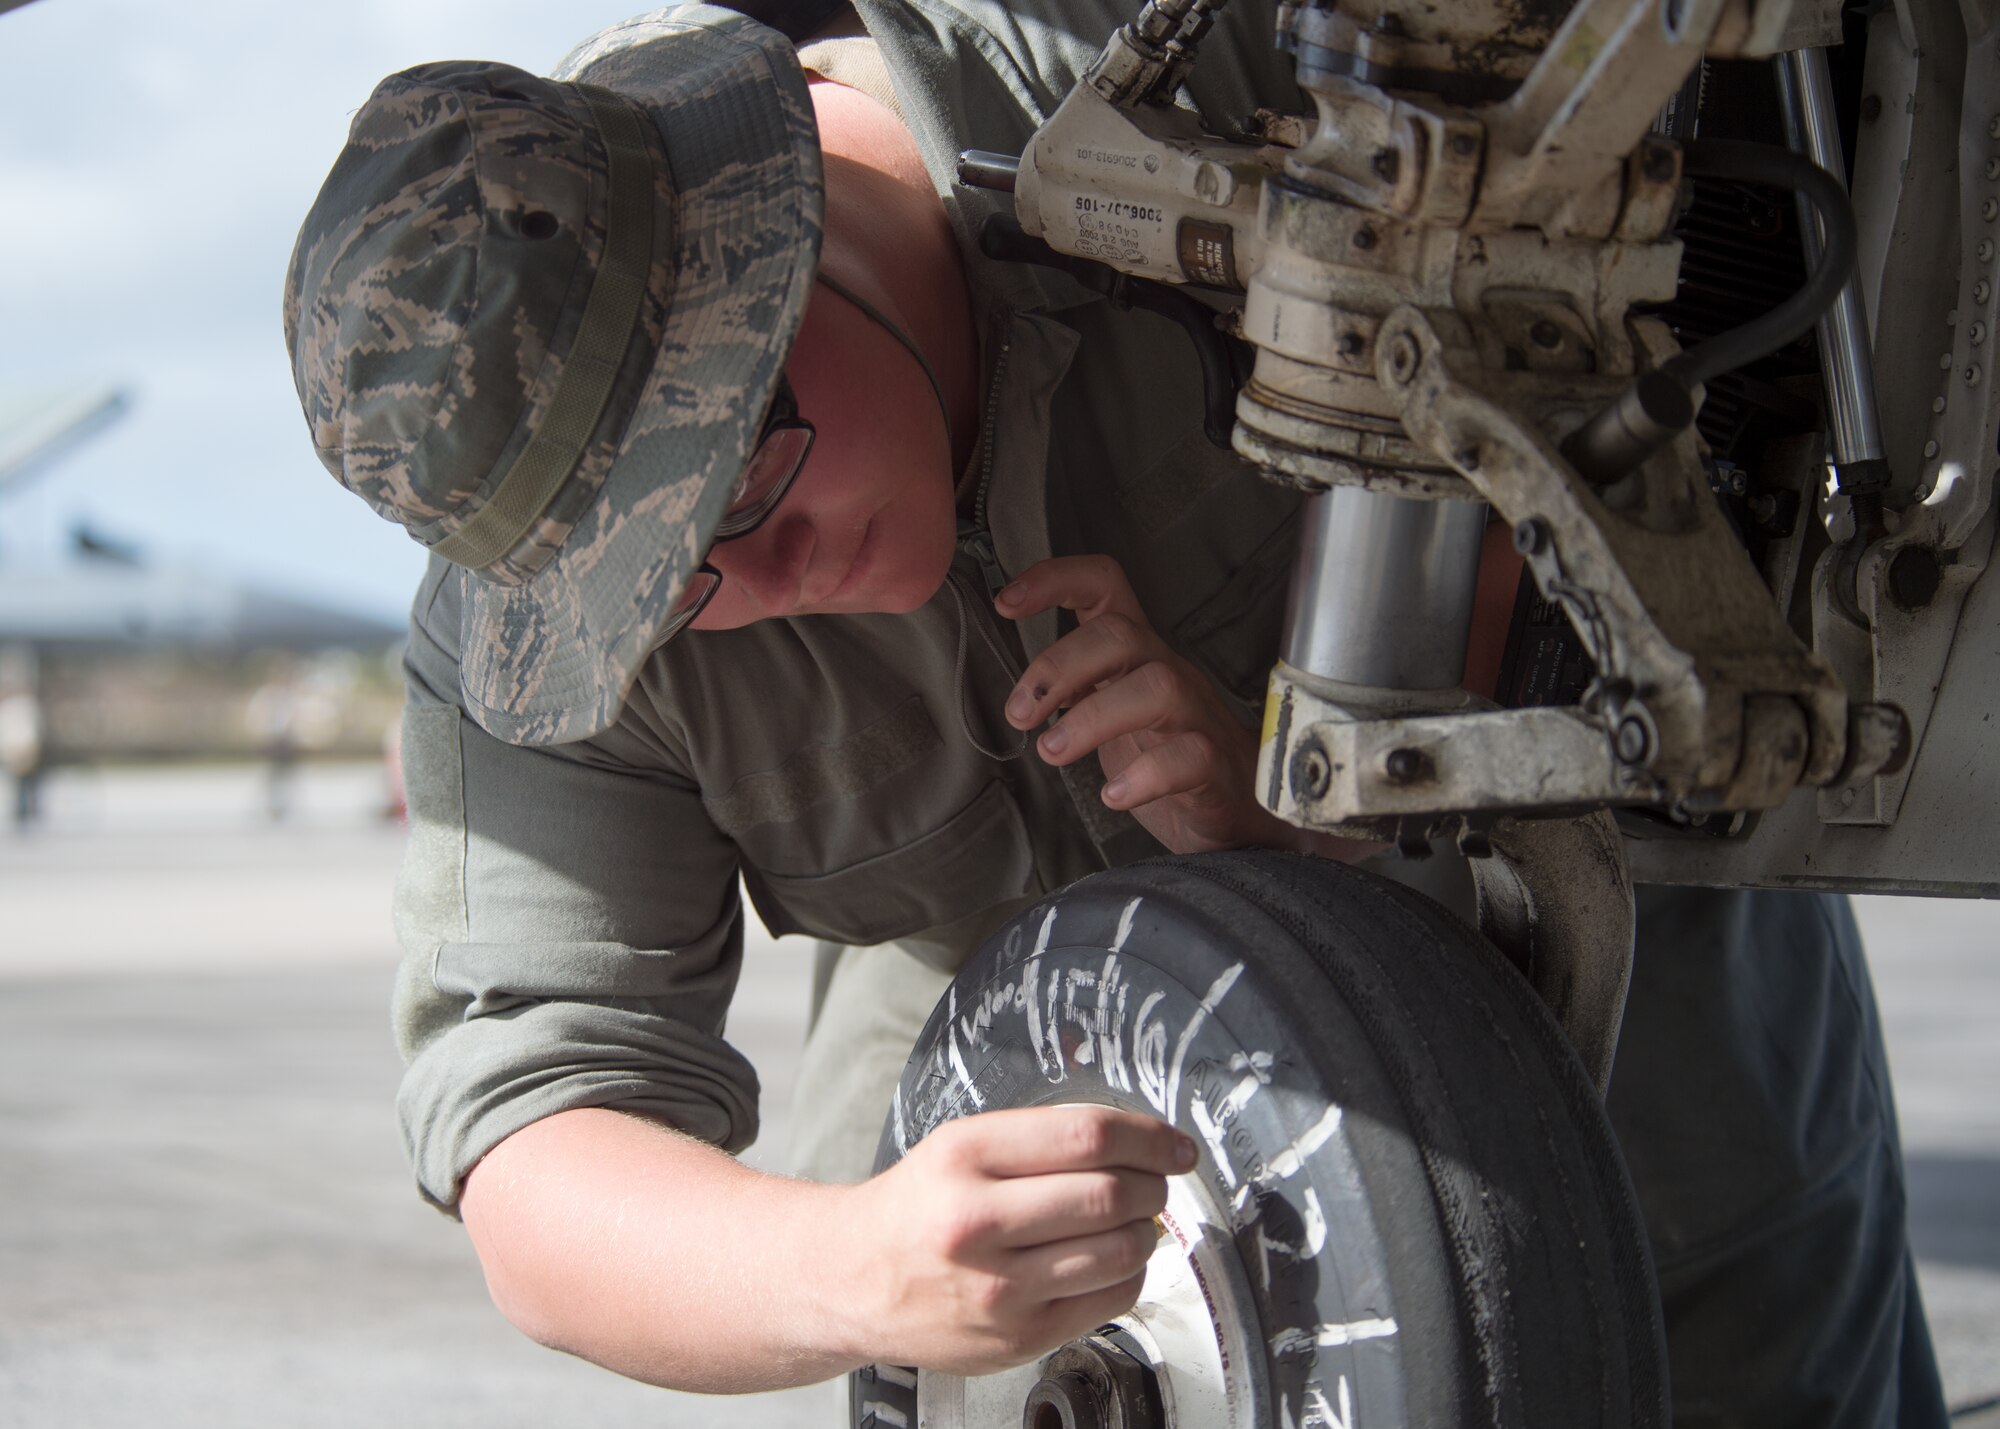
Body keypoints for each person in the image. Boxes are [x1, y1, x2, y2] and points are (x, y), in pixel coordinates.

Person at [283, 3, 1948, 1422]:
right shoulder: (544, 602)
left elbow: (1638, 499)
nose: (758, 575)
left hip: (1594, 981)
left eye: (736, 477)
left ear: (784, 224)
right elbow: (543, 1152)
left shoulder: (1240, 106)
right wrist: (855, 1268)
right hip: (1041, 1130)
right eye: (667, 584)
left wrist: (1314, 811)